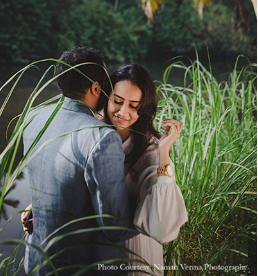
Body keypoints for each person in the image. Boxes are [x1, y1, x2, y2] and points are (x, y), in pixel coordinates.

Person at [22, 46, 138, 275]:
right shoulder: (102, 136)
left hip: (36, 260)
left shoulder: (33, 117)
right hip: (80, 266)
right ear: (96, 88)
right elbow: (114, 226)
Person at [102, 63, 188, 274]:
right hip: (96, 253)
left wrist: (164, 151)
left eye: (133, 106)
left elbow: (162, 226)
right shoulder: (91, 130)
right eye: (118, 101)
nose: (123, 112)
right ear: (106, 97)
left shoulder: (151, 152)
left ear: (144, 109)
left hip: (136, 254)